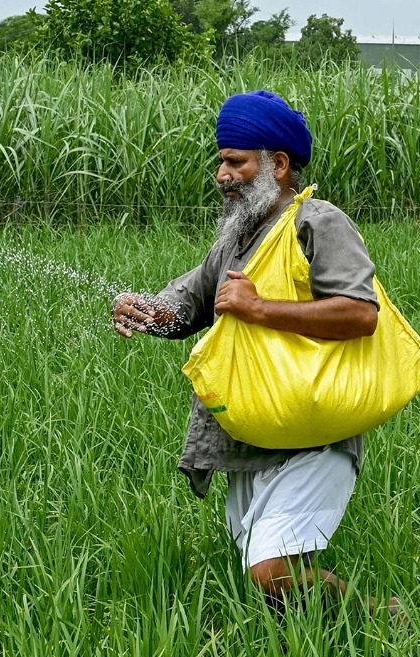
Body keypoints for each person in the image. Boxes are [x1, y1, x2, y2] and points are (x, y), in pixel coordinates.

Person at [112, 89, 400, 615]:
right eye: (221, 160)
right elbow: (191, 304)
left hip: (316, 431)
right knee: (264, 581)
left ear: (280, 164)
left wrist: (261, 308)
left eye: (235, 161)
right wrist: (146, 313)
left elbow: (360, 313)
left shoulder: (318, 223)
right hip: (254, 435)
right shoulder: (235, 239)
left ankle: (381, 615)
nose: (222, 174)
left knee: (270, 571)